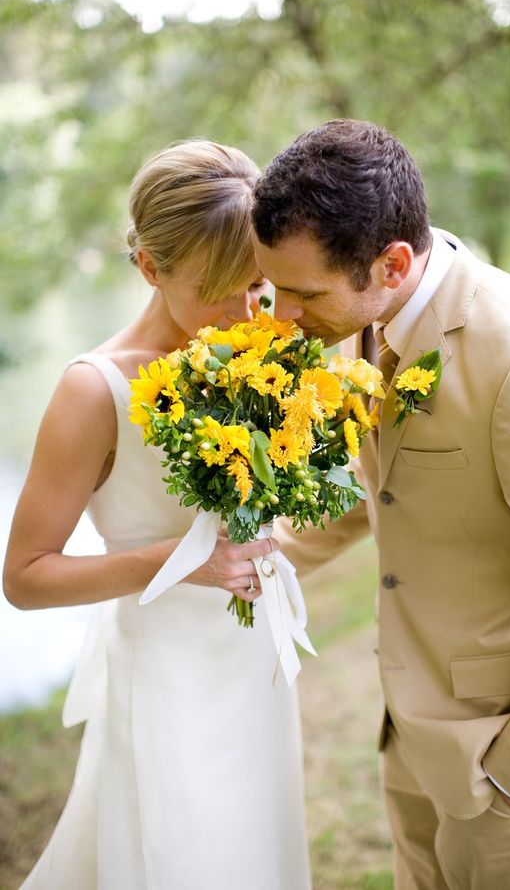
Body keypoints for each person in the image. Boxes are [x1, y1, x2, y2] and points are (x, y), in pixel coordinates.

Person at [251, 119, 510, 890]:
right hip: (408, 734)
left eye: (302, 294)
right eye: (276, 290)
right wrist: (259, 559)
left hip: (500, 759)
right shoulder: (368, 318)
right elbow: (384, 486)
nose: (283, 317)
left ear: (393, 262)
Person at [3, 140, 312, 890]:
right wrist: (184, 562)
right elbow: (24, 578)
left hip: (255, 666)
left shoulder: (259, 346)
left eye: (260, 288)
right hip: (168, 677)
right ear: (149, 267)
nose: (247, 312)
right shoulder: (92, 391)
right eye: (221, 289)